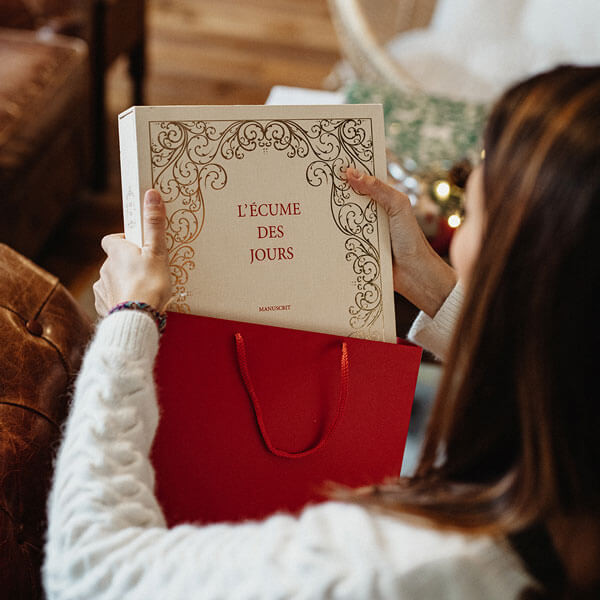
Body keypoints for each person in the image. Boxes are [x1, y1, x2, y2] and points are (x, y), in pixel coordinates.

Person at [43, 65, 599, 599]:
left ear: (524, 268)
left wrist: (128, 319)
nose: (458, 238)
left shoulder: (399, 564)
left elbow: (91, 573)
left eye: (472, 215)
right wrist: (433, 286)